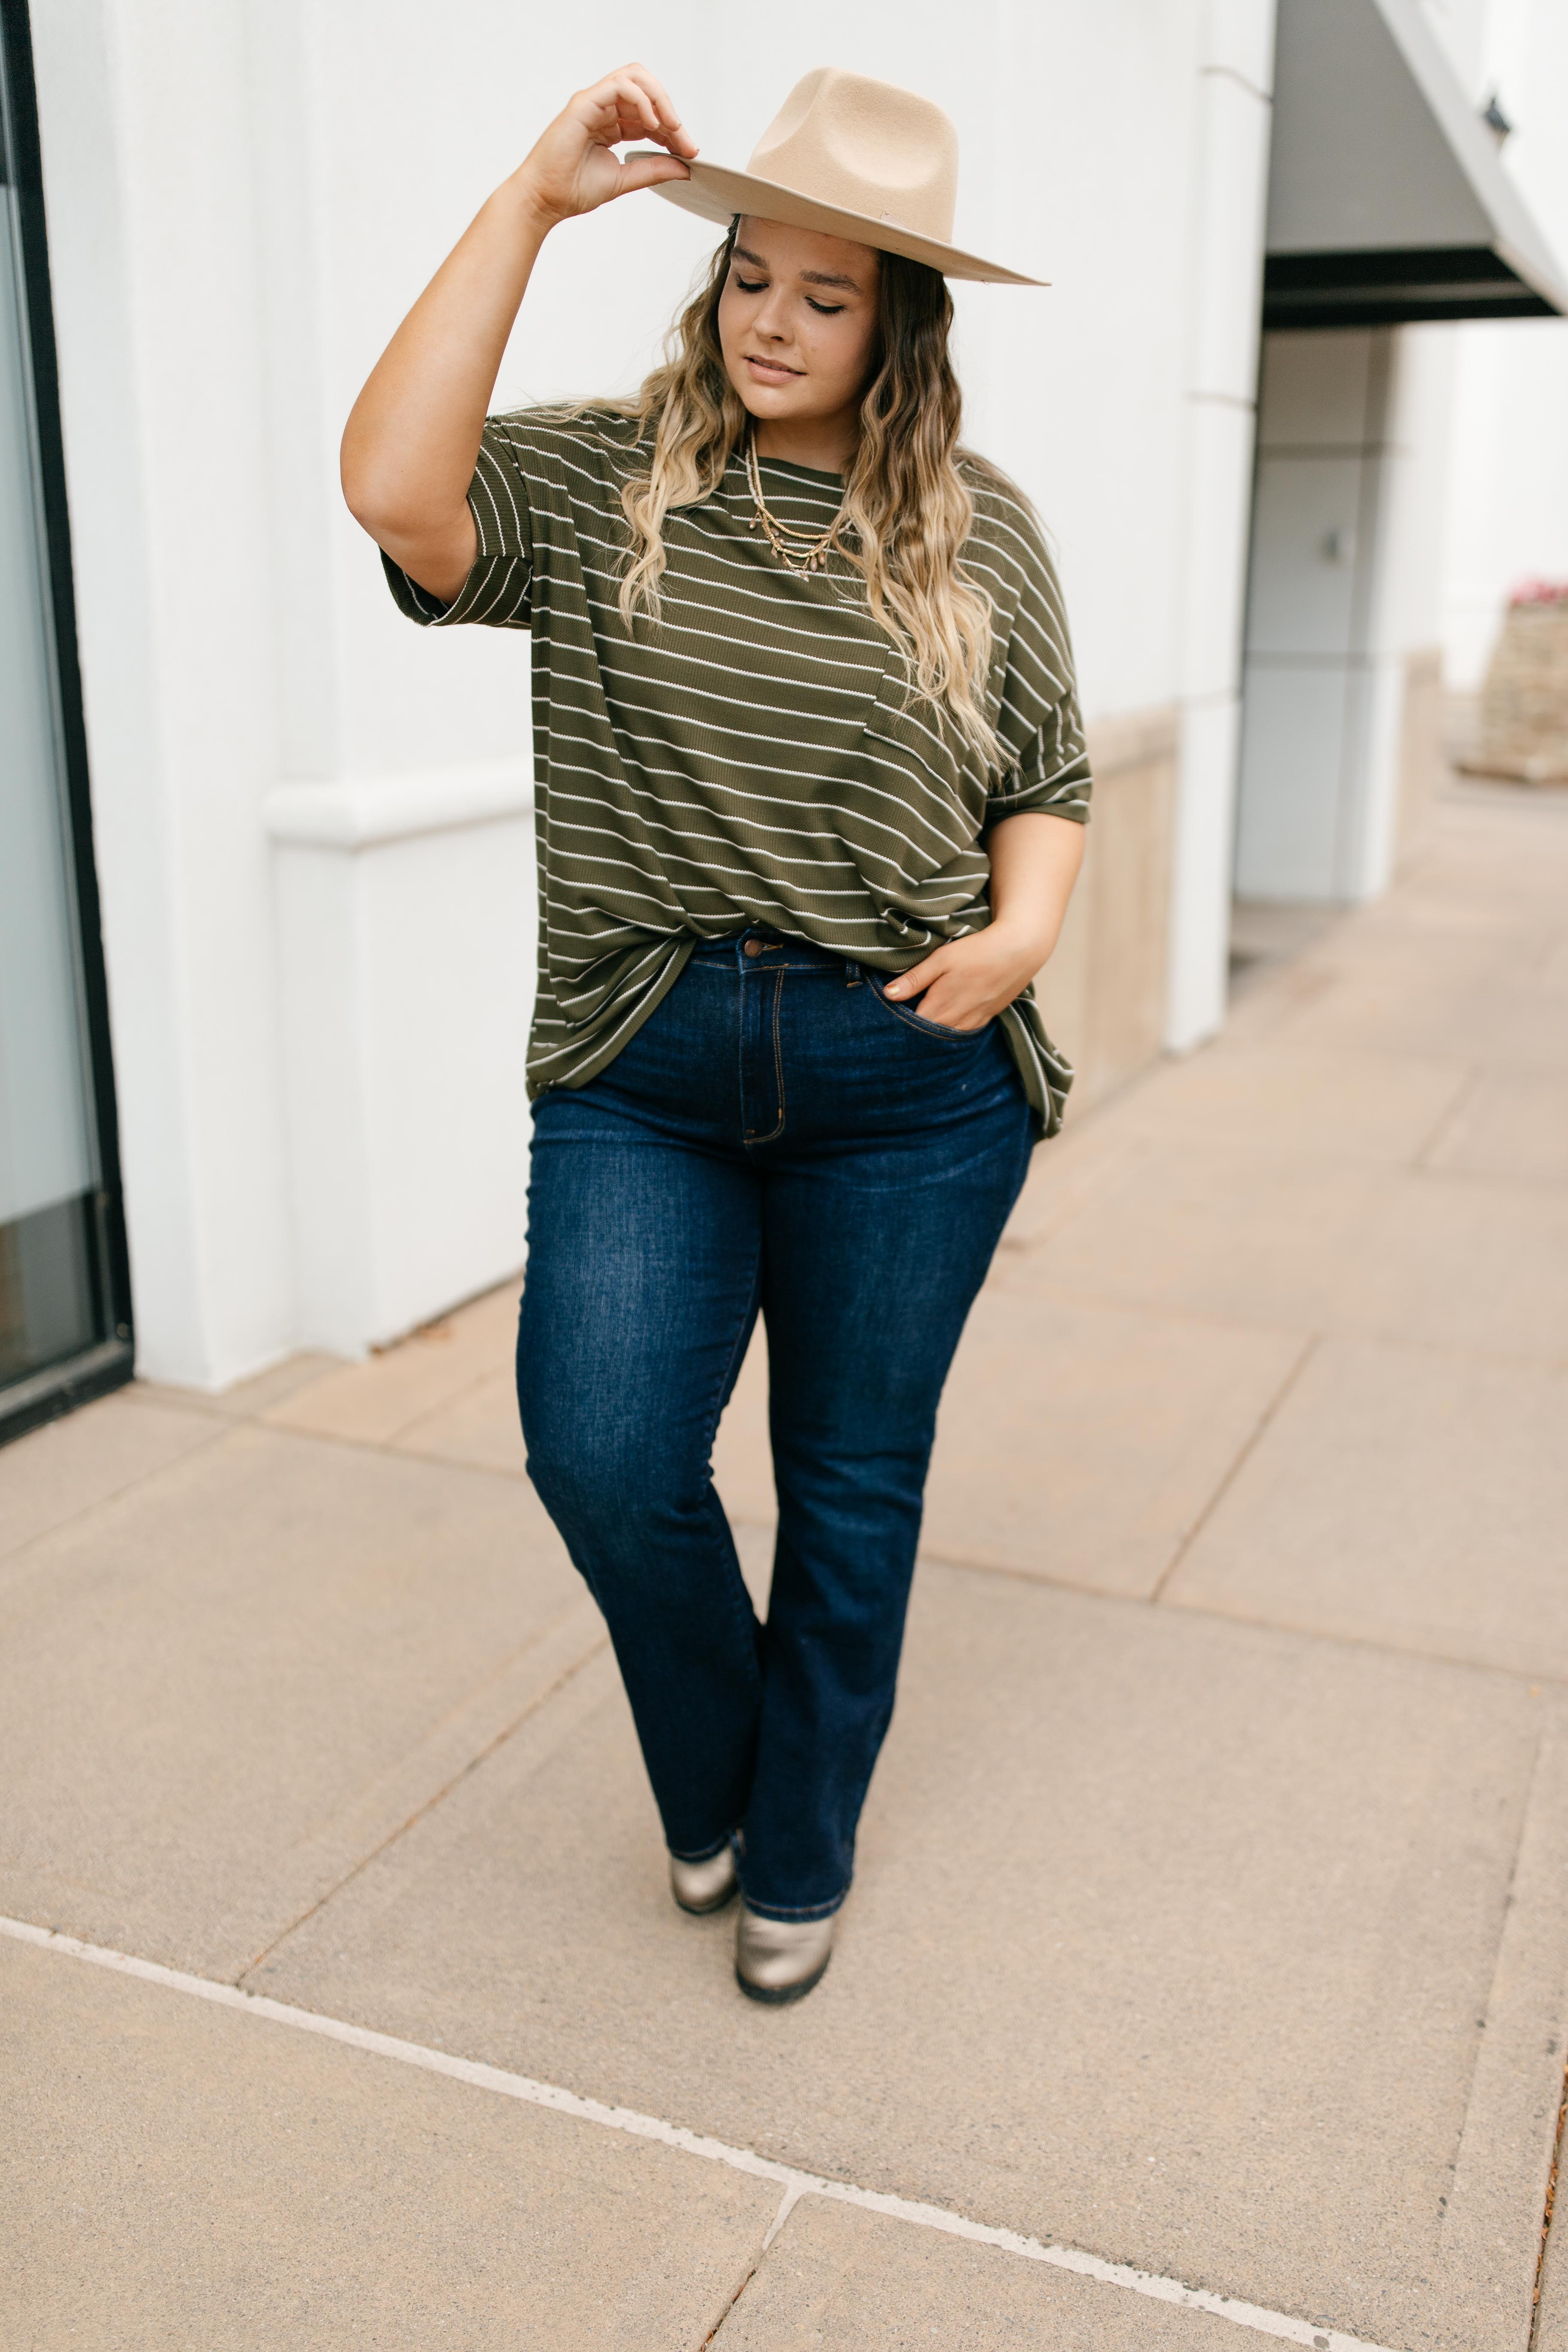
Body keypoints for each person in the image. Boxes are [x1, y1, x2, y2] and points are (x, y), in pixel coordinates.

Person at [341, 63, 1091, 2004]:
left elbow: (1048, 773)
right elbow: (393, 490)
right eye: (749, 276)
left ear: (895, 322)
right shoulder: (608, 483)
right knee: (603, 1453)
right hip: (645, 1062)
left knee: (850, 1478)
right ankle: (724, 1777)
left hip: (907, 1080)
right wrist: (527, 197)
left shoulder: (979, 533)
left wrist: (1020, 933)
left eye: (823, 294)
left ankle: (801, 1846)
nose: (769, 319)